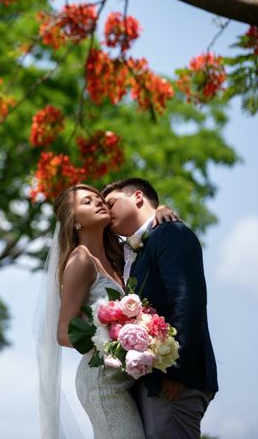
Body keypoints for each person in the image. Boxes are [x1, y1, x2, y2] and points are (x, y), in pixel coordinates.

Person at [34, 184, 178, 439]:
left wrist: (160, 211)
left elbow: (142, 218)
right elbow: (64, 333)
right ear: (75, 220)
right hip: (101, 382)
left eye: (99, 198)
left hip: (128, 380)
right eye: (87, 202)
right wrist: (118, 339)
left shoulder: (121, 256)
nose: (99, 202)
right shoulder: (81, 261)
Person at [102, 178, 218, 439]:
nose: (107, 212)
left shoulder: (169, 233)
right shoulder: (132, 250)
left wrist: (176, 374)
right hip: (148, 379)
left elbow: (187, 300)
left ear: (138, 197)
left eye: (111, 203)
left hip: (174, 380)